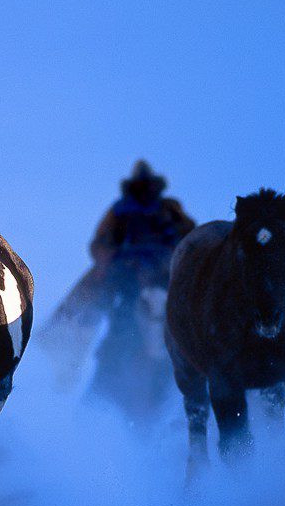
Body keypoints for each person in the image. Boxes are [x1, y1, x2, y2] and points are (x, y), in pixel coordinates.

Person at [42, 160, 195, 386]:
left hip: (163, 273)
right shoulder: (121, 211)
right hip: (127, 275)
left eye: (149, 187)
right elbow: (100, 244)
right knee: (97, 311)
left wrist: (167, 262)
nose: (146, 191)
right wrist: (114, 262)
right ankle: (71, 357)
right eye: (141, 187)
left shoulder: (169, 210)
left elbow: (187, 239)